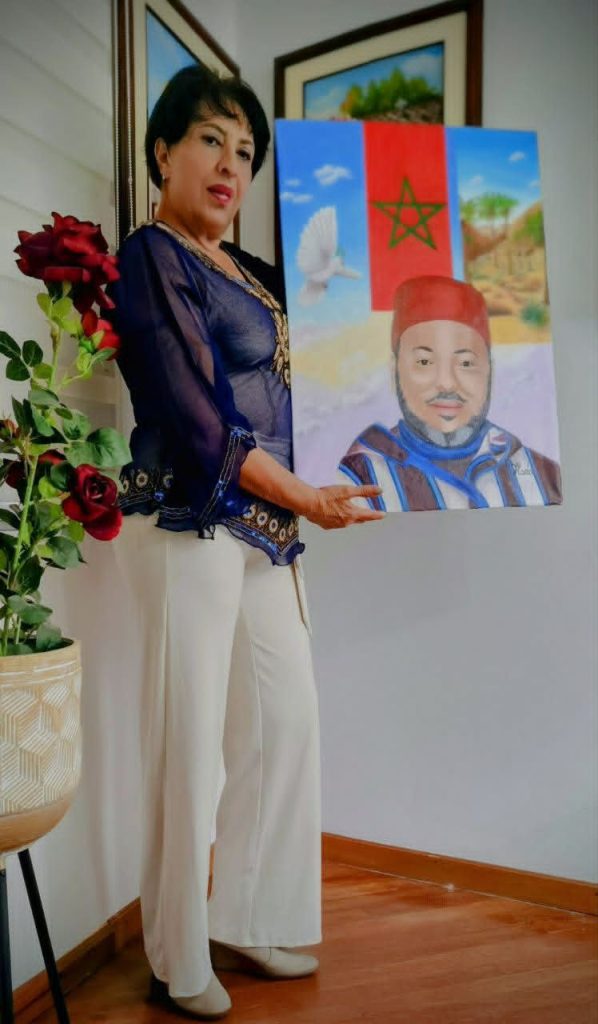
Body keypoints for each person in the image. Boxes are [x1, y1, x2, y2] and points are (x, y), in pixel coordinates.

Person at [108, 65, 383, 1020]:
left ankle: (249, 918)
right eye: (211, 140)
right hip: (187, 521)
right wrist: (306, 495)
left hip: (267, 531)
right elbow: (198, 420)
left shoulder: (257, 275)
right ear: (164, 152)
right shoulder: (151, 256)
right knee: (189, 747)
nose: (232, 165)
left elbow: (341, 357)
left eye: (247, 151)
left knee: (284, 725)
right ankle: (177, 956)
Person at [339, 275, 562, 511]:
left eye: (466, 363)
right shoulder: (359, 480)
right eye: (424, 362)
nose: (447, 383)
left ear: (489, 372)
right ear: (394, 372)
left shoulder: (542, 474)